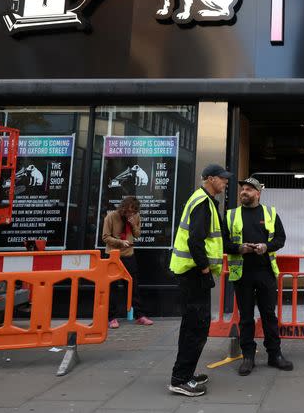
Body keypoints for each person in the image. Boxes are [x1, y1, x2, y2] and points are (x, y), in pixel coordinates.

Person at [168, 164, 230, 397]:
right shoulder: (203, 202)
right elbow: (195, 241)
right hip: (194, 273)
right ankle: (180, 379)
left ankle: (185, 373)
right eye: (223, 179)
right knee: (196, 326)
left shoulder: (203, 200)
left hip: (191, 272)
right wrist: (205, 269)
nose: (225, 183)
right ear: (211, 179)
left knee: (194, 325)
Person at [224, 176, 293, 376]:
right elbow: (222, 242)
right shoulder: (230, 215)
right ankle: (248, 357)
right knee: (246, 317)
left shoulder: (270, 213)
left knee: (269, 316)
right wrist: (240, 248)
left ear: (257, 193)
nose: (244, 192)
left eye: (248, 189)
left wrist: (266, 246)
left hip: (265, 272)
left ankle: (275, 355)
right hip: (242, 273)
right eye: (242, 189)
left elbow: (281, 239)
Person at [101, 196, 153, 328]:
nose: (130, 214)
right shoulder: (111, 216)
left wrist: (133, 224)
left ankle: (139, 315)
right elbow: (105, 237)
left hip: (129, 255)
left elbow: (137, 234)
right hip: (113, 255)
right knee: (113, 287)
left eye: (133, 212)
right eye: (128, 211)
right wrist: (120, 242)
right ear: (123, 207)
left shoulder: (135, 217)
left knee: (133, 286)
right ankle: (112, 317)